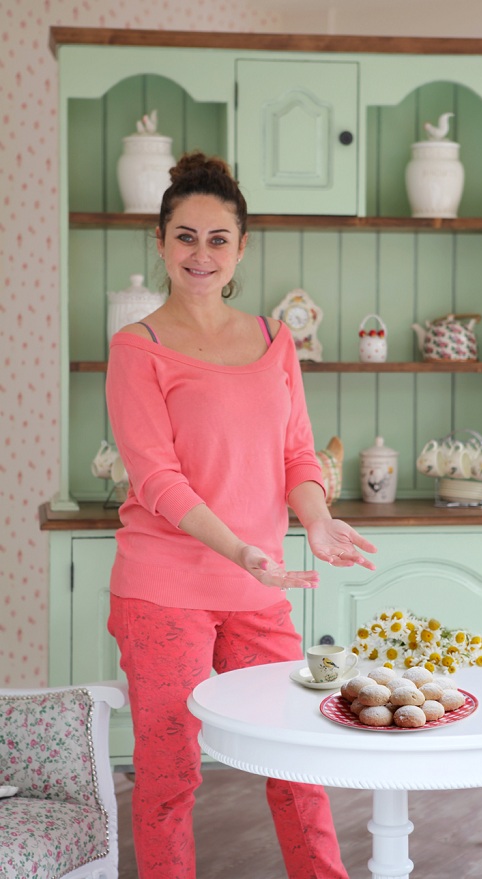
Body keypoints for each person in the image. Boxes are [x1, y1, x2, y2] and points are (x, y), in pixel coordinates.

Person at [105, 150, 377, 879]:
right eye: (186, 236)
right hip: (165, 589)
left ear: (241, 247)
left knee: (297, 757)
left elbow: (297, 454)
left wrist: (315, 521)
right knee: (169, 775)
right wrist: (241, 549)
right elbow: (157, 480)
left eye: (217, 238)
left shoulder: (274, 338)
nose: (201, 253)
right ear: (161, 242)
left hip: (260, 586)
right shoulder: (137, 349)